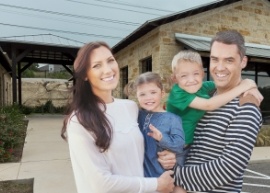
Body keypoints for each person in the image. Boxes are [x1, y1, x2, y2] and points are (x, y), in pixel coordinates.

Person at [61, 41, 175, 193]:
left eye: (110, 61)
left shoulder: (130, 107)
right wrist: (156, 184)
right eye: (97, 65)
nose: (108, 70)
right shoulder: (78, 121)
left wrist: (167, 155)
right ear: (85, 75)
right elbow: (101, 184)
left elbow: (143, 149)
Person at [174, 30, 263, 192]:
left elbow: (228, 167)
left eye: (229, 60)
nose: (219, 68)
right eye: (215, 59)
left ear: (243, 62)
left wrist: (174, 176)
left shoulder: (246, 107)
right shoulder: (203, 95)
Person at [166, 50, 258, 164]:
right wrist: (243, 87)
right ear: (175, 78)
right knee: (173, 179)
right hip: (174, 149)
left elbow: (227, 83)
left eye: (196, 73)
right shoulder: (177, 93)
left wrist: (250, 85)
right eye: (184, 75)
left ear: (202, 73)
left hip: (189, 146)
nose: (191, 80)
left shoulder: (203, 87)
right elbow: (209, 105)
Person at [127, 72, 186, 193]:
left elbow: (179, 145)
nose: (148, 98)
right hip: (141, 180)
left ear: (162, 93)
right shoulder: (137, 115)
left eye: (153, 92)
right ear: (137, 97)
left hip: (162, 179)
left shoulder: (173, 119)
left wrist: (161, 138)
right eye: (142, 94)